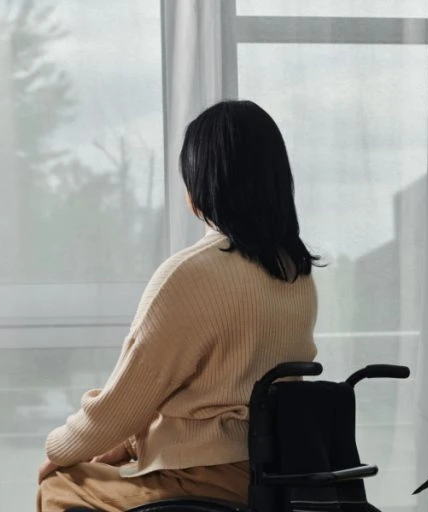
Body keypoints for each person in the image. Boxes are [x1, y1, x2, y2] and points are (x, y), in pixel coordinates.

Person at [37, 100, 319, 512]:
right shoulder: (296, 274)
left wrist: (59, 448)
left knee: (60, 485)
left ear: (200, 185)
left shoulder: (191, 275)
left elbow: (123, 403)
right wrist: (130, 444)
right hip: (273, 477)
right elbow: (216, 388)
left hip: (199, 480)